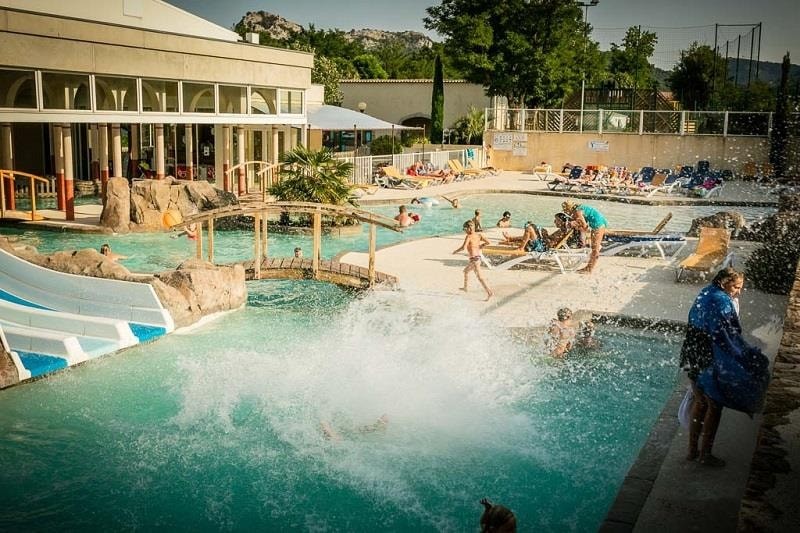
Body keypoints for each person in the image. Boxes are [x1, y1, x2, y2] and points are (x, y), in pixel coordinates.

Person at [679, 267, 770, 467]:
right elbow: (728, 335)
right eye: (736, 287)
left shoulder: (705, 292)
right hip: (708, 356)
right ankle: (705, 454)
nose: (739, 292)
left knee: (700, 401)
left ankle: (692, 451)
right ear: (724, 282)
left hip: (692, 354)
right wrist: (746, 355)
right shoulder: (722, 301)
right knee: (714, 405)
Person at [561, 201, 607, 274]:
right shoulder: (579, 209)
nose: (565, 212)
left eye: (565, 210)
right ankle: (589, 267)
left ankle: (589, 269)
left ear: (569, 209)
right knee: (595, 247)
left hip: (598, 225)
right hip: (599, 222)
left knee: (595, 248)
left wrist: (575, 225)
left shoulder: (577, 212)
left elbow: (585, 226)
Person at [453, 220, 493, 300]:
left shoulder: (468, 236)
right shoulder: (479, 235)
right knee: (466, 271)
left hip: (474, 260)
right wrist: (481, 246)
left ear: (469, 228)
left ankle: (489, 292)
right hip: (477, 259)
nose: (464, 231)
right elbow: (489, 242)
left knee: (480, 277)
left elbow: (463, 248)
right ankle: (465, 288)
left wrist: (455, 251)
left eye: (465, 229)